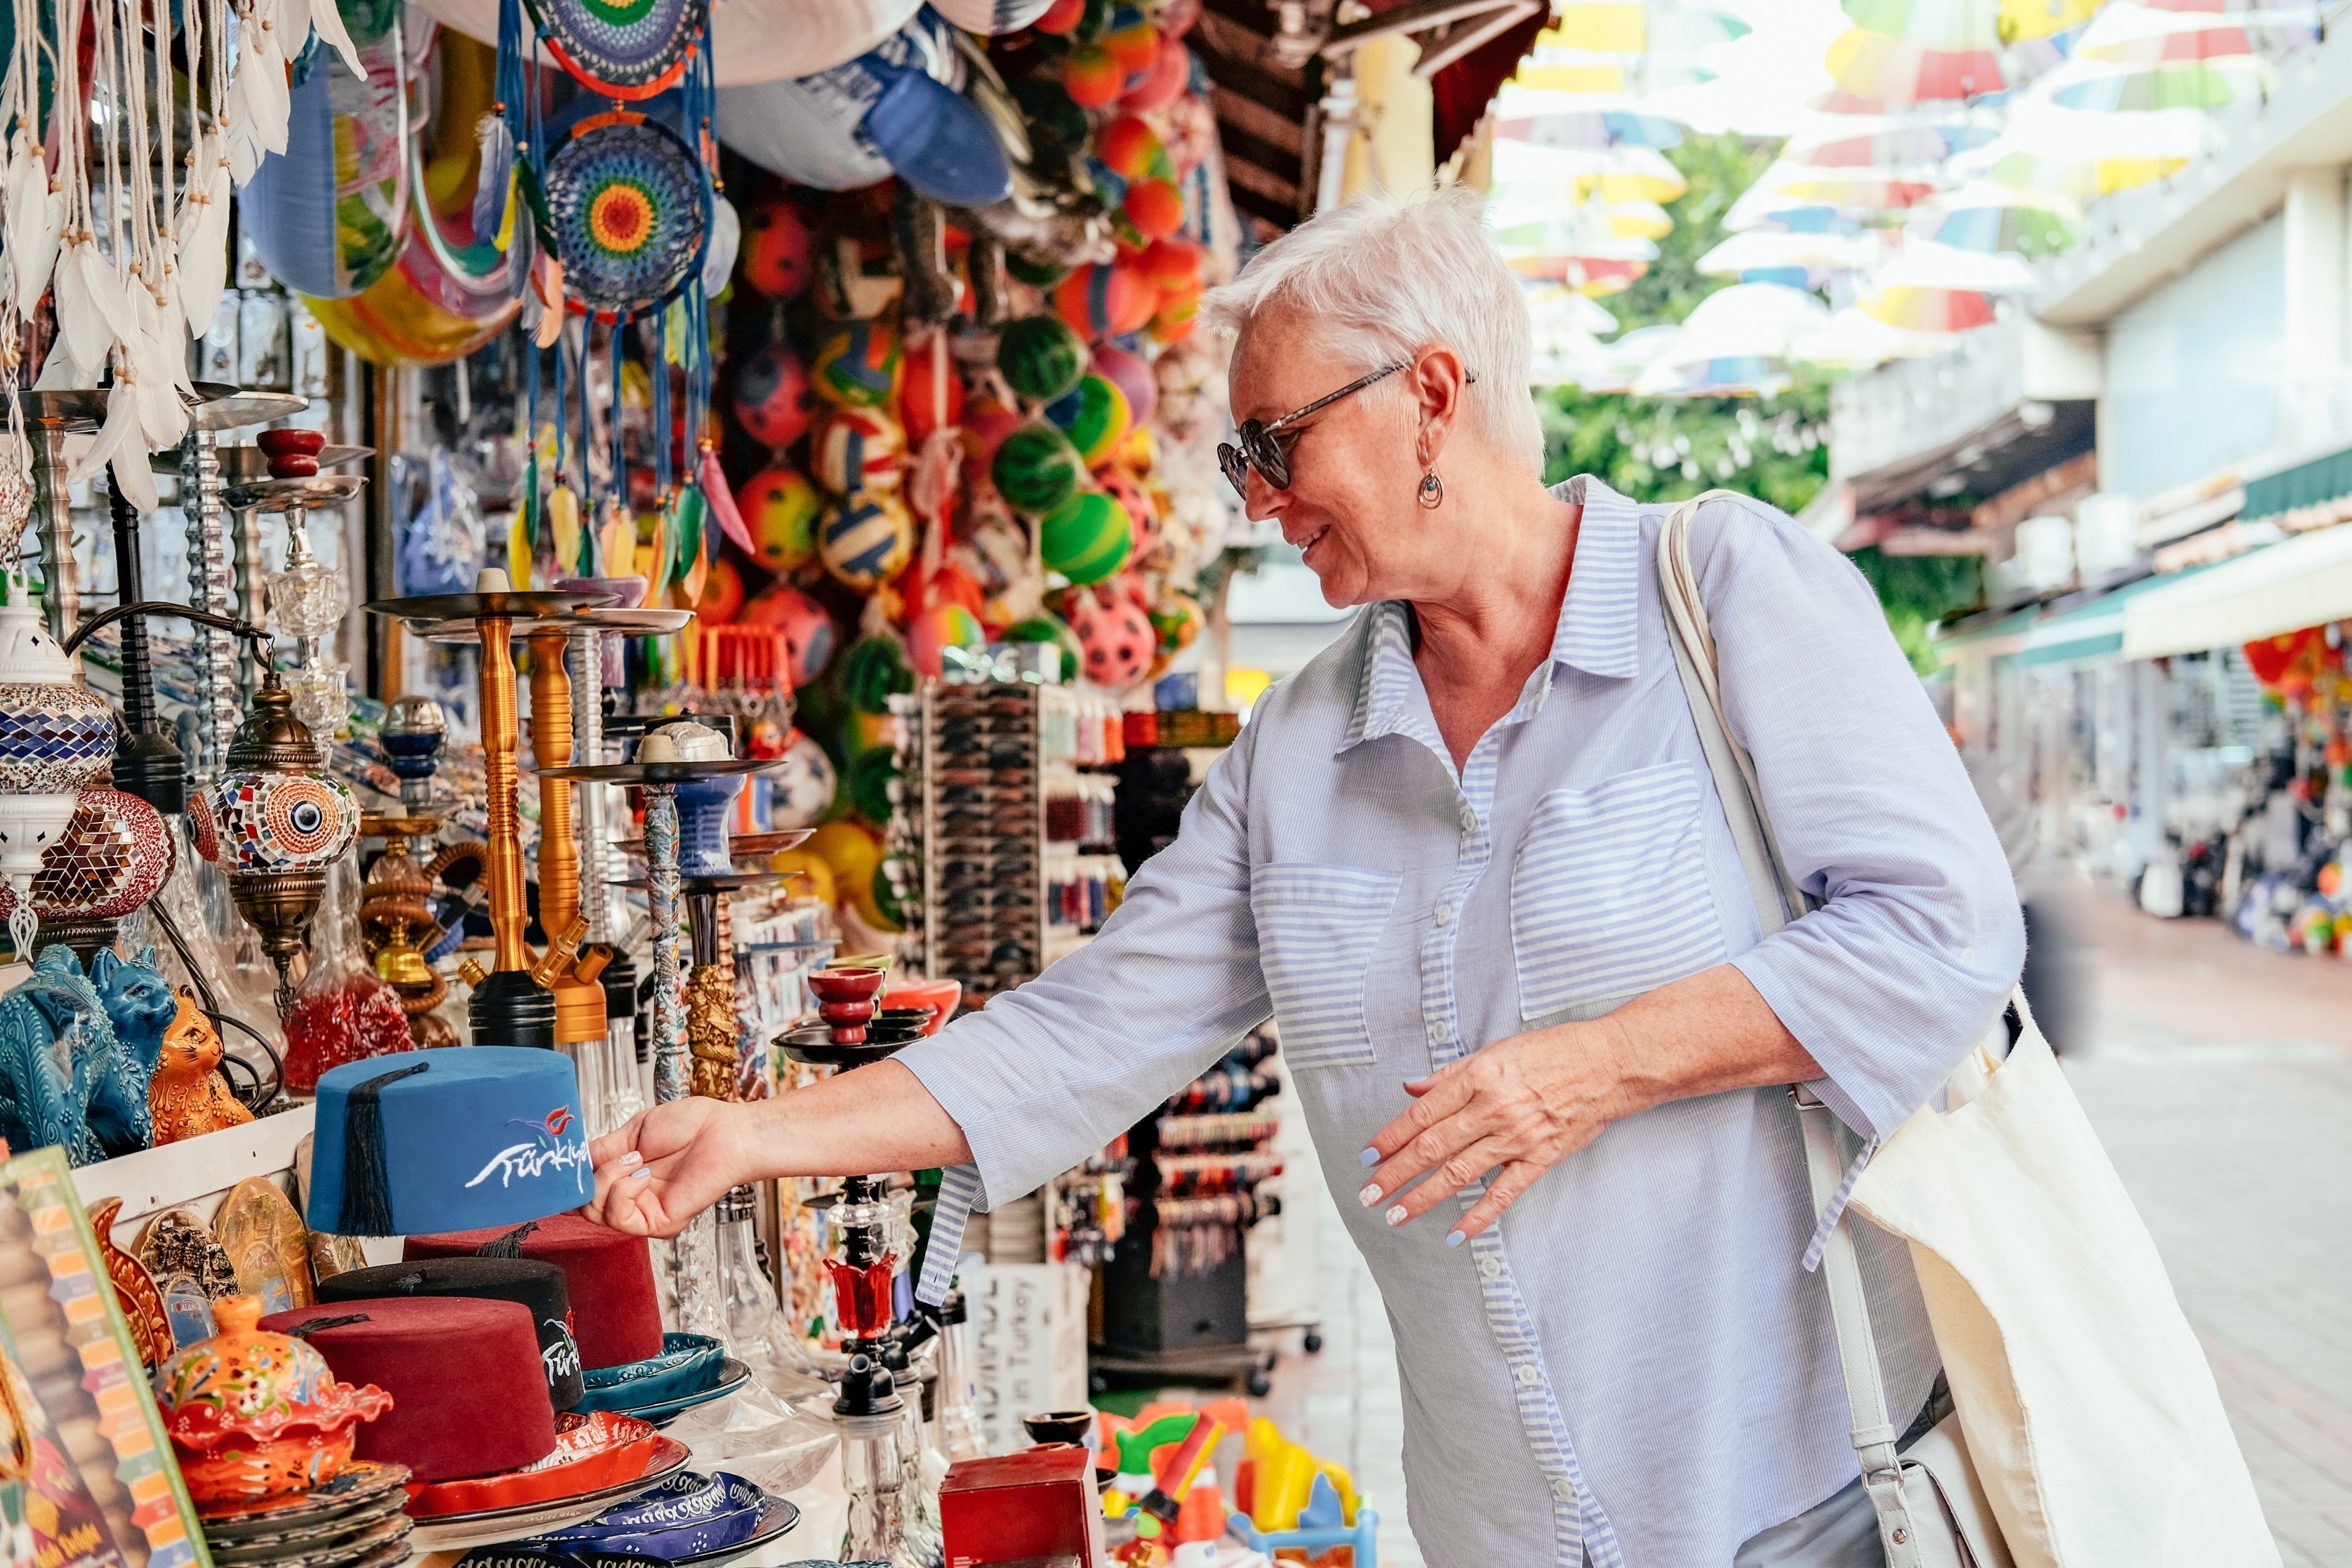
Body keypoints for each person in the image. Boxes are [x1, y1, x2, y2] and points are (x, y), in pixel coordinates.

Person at [583, 187, 2024, 1568]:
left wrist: (1595, 1066)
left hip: (1797, 1503)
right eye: (1240, 460)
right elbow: (1088, 1030)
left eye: (1275, 443)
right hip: (1498, 1527)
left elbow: (1942, 932)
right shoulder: (1300, 748)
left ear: (1432, 395)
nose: (1260, 499)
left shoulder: (1720, 593)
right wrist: (756, 1136)